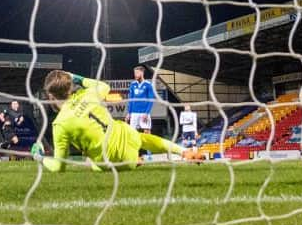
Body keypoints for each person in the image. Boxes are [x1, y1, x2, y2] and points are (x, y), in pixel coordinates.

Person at [40, 70, 201, 172]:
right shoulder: (88, 94)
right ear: (70, 88)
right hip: (128, 139)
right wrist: (76, 77)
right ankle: (183, 152)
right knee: (141, 137)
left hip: (114, 164)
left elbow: (58, 167)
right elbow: (104, 86)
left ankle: (132, 160)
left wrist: (39, 157)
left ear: (51, 96)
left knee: (93, 163)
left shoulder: (59, 124)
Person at [126, 66, 155, 134]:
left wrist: (146, 113)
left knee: (147, 132)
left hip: (144, 113)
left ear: (142, 73)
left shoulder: (148, 85)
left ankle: (148, 144)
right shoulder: (133, 84)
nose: (135, 75)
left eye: (137, 73)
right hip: (134, 113)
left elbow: (151, 100)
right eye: (134, 73)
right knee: (132, 133)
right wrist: (129, 113)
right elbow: (131, 100)